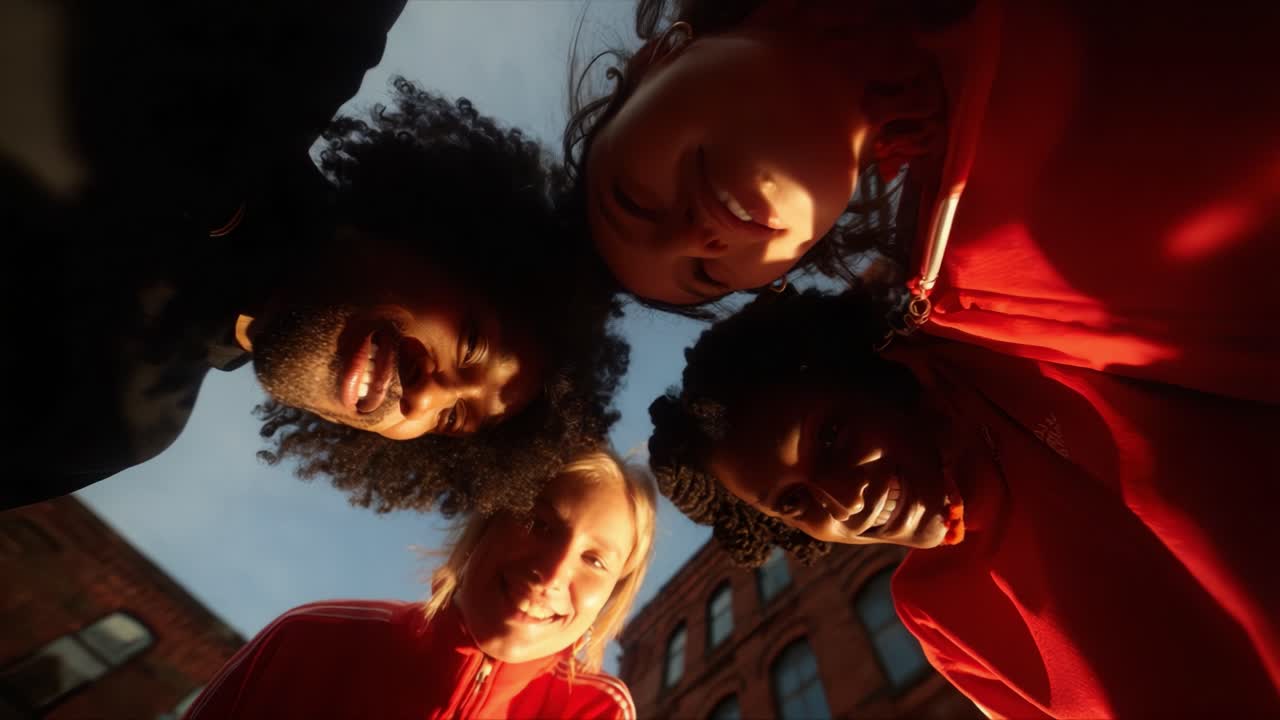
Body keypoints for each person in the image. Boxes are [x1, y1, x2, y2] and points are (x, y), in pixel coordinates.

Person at [563, 0, 1280, 400]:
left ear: (656, 60)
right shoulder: (989, 300)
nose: (694, 237)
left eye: (634, 201)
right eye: (707, 277)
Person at [3, 75, 628, 514]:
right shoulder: (250, 69)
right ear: (435, 239)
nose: (427, 395)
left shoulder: (112, 424)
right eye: (471, 343)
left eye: (450, 421)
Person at [647, 289, 1280, 717]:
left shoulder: (1014, 355)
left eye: (830, 437)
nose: (844, 500)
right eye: (793, 500)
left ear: (871, 374)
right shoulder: (938, 620)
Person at [183, 448, 655, 719]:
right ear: (486, 522)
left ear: (612, 596)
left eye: (595, 560)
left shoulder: (597, 712)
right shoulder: (311, 636)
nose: (552, 574)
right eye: (540, 525)